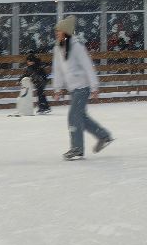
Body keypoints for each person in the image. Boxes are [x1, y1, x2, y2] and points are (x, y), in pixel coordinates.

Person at [52, 15, 113, 161]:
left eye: (59, 31)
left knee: (73, 116)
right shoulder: (58, 47)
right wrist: (57, 88)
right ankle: (104, 136)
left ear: (65, 31)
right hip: (73, 89)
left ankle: (77, 148)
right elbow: (58, 69)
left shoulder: (77, 46)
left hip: (83, 87)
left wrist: (94, 86)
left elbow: (87, 66)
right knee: (81, 118)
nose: (57, 33)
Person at [24, 48, 51, 114]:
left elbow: (40, 73)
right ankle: (46, 107)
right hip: (38, 81)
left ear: (33, 61)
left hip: (41, 80)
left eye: (30, 61)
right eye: (28, 61)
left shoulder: (36, 66)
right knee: (41, 94)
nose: (29, 62)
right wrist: (20, 79)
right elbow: (26, 74)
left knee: (40, 93)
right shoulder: (30, 67)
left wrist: (39, 79)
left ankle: (42, 108)